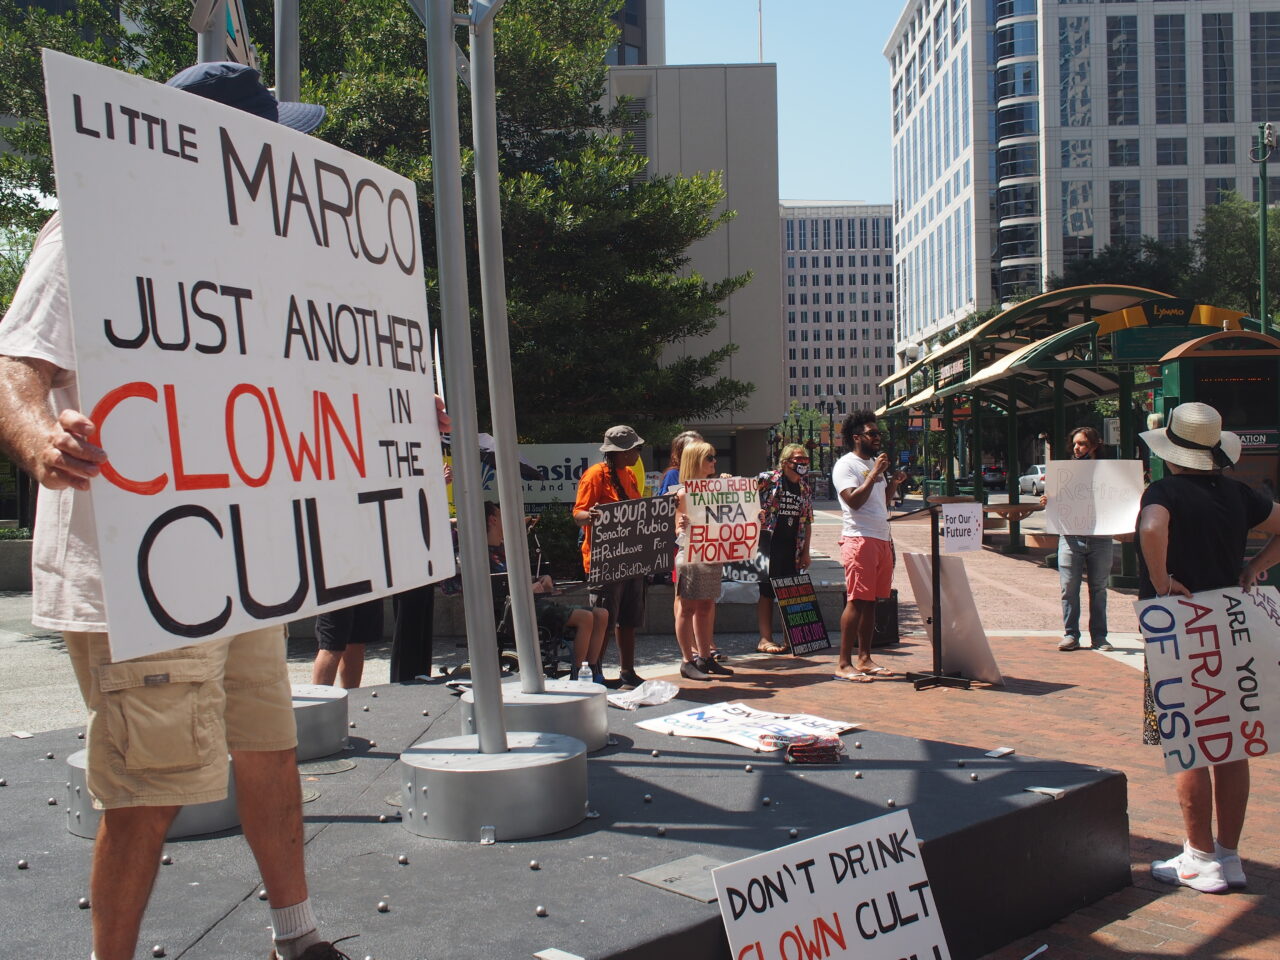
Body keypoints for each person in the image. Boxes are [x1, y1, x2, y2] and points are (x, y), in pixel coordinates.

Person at [0, 63, 352, 960]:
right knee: (148, 790)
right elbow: (16, 365)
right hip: (139, 573)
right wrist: (42, 439)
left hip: (239, 563)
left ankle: (297, 937)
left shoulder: (253, 258)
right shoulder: (88, 228)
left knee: (270, 752)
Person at [1137, 402, 1280, 894]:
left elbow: (1153, 527)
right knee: (1232, 741)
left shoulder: (1164, 491)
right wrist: (1253, 567)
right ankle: (1230, 855)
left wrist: (1162, 581)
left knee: (1189, 742)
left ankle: (1198, 857)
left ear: (1171, 450)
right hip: (1232, 622)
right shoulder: (1240, 493)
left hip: (1181, 624)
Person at [483, 502, 609, 681]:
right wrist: (528, 589)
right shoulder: (483, 555)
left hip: (533, 603)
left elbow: (518, 580)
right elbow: (500, 591)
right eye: (502, 515)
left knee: (602, 614)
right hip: (515, 612)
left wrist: (541, 581)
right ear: (493, 520)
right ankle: (579, 675)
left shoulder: (505, 550)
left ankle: (593, 670)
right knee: (585, 618)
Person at [572, 425, 649, 688]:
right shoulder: (595, 475)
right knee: (604, 617)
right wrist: (591, 517)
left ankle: (627, 670)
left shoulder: (628, 475)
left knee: (629, 617)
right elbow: (578, 514)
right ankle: (595, 672)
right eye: (635, 449)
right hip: (603, 561)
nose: (638, 453)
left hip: (631, 559)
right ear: (620, 452)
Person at [831, 410, 905, 682]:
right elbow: (853, 501)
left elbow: (879, 501)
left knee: (872, 601)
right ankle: (843, 662)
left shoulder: (874, 464)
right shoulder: (846, 465)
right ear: (856, 437)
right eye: (872, 433)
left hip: (881, 537)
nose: (877, 437)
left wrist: (892, 482)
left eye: (878, 433)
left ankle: (864, 657)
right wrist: (874, 473)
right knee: (857, 600)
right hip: (859, 538)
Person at [1039, 426, 1115, 652]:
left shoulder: (1108, 471)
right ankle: (1071, 634)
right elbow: (1058, 499)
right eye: (1074, 444)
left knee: (1098, 588)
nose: (1077, 448)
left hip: (1100, 536)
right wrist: (1048, 500)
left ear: (1094, 444)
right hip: (1071, 536)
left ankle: (1099, 637)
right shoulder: (1066, 471)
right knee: (1069, 587)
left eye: (1081, 443)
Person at [673, 441, 734, 681]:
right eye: (709, 457)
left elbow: (736, 513)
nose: (714, 461)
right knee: (687, 608)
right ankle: (687, 660)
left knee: (707, 606)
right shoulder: (684, 493)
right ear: (696, 461)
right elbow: (678, 529)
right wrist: (681, 527)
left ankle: (705, 657)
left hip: (711, 553)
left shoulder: (717, 489)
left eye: (714, 456)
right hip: (691, 555)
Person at [755, 442, 814, 654]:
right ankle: (765, 638)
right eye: (798, 459)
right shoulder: (769, 479)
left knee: (791, 591)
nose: (802, 463)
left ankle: (793, 638)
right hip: (769, 545)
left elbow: (807, 521)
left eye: (805, 460)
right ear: (785, 462)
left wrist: (806, 551)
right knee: (767, 591)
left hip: (793, 546)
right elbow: (744, 490)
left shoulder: (804, 487)